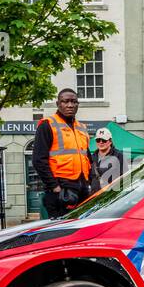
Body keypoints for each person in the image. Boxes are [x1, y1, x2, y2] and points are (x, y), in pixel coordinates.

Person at [33, 89, 91, 219]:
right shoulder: (47, 125)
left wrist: (90, 184)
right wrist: (54, 187)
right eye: (65, 101)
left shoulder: (81, 127)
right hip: (61, 190)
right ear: (58, 104)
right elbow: (38, 160)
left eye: (74, 102)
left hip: (81, 190)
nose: (70, 105)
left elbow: (88, 158)